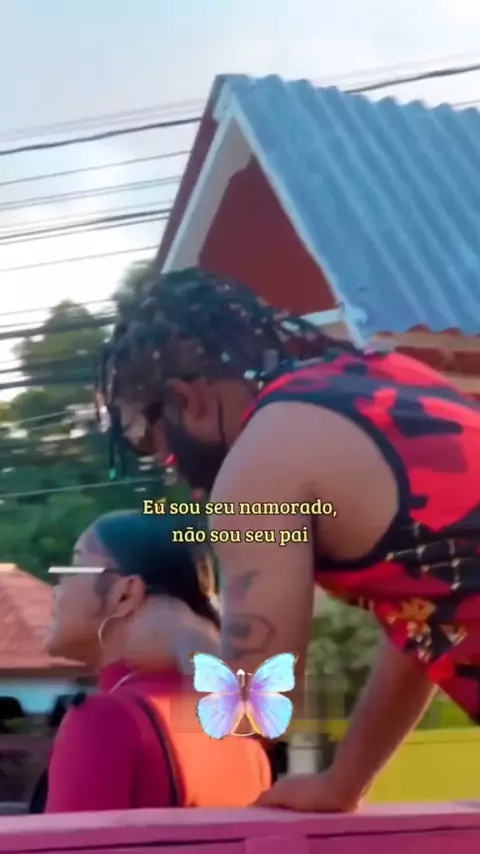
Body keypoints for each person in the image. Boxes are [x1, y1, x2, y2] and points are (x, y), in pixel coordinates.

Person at [96, 267, 480, 813]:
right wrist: (343, 783)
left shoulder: (258, 469)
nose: (165, 464)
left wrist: (178, 634)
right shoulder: (389, 381)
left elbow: (255, 714)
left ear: (185, 399)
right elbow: (424, 627)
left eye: (145, 440)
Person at [43, 509, 271, 812]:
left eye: (74, 566)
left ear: (126, 594)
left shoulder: (105, 721)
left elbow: (73, 836)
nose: (57, 587)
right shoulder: (240, 734)